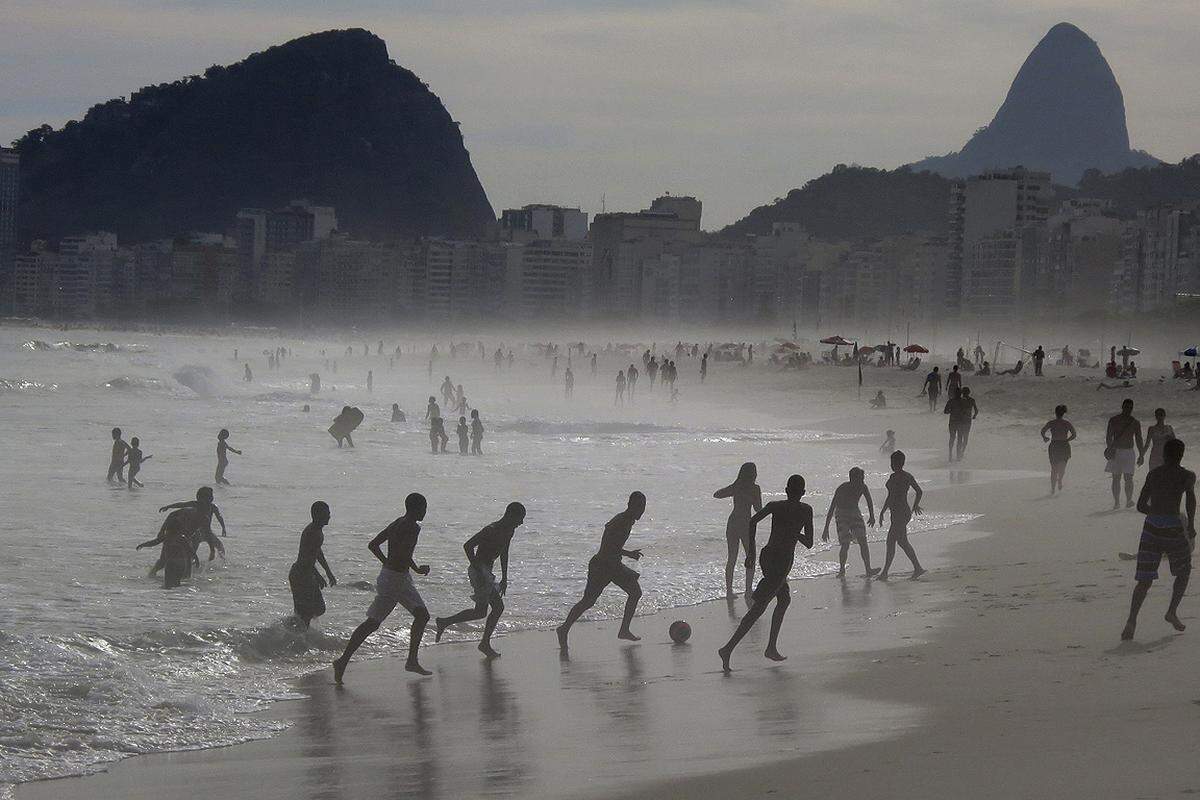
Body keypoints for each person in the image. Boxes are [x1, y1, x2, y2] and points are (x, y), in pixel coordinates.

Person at [333, 493, 433, 683]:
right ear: (415, 508)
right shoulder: (412, 528)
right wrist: (415, 568)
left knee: (420, 616)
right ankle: (343, 661)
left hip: (394, 577)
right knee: (373, 623)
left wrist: (390, 564)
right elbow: (402, 553)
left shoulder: (398, 523)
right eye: (424, 508)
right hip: (395, 580)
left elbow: (374, 545)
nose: (425, 512)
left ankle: (411, 660)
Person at [718, 475, 814, 672]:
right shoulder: (806, 510)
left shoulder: (776, 506)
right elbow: (810, 542)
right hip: (782, 561)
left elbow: (752, 522)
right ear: (803, 493)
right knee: (759, 607)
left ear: (786, 490)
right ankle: (727, 649)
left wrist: (752, 552)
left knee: (784, 599)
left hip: (767, 556)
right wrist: (795, 533)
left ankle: (770, 647)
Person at [1122, 438, 1195, 640]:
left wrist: (1155, 513)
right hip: (1173, 526)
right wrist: (1191, 526)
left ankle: (1131, 621)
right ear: (1181, 455)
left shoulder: (1154, 474)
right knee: (1184, 571)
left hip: (1151, 527)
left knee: (1144, 580)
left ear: (1163, 454)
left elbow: (1140, 506)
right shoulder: (1187, 476)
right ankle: (1171, 611)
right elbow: (1191, 501)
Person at [556, 492, 647, 652]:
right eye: (638, 506)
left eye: (643, 507)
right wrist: (629, 555)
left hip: (611, 566)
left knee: (635, 592)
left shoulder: (627, 520)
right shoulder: (621, 521)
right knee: (588, 601)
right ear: (629, 505)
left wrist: (624, 560)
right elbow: (609, 547)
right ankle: (563, 629)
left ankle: (624, 630)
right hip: (602, 566)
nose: (641, 510)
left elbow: (613, 547)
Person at [435, 502, 527, 658]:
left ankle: (444, 622)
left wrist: (505, 577)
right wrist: (477, 568)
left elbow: (504, 553)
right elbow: (468, 546)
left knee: (480, 612)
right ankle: (484, 643)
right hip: (479, 571)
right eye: (520, 518)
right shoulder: (491, 530)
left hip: (487, 572)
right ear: (510, 515)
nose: (521, 523)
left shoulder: (509, 531)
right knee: (497, 608)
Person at [713, 463, 764, 598]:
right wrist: (749, 497)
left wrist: (734, 490)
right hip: (745, 524)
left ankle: (733, 591)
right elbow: (759, 509)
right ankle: (745, 590)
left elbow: (717, 494)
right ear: (753, 474)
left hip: (735, 522)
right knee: (748, 557)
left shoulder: (737, 487)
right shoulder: (754, 489)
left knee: (734, 558)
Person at [821, 468, 878, 578]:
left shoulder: (863, 487)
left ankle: (868, 569)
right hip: (841, 514)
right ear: (852, 479)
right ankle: (842, 570)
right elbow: (832, 507)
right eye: (860, 479)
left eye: (863, 478)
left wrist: (872, 516)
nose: (862, 481)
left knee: (863, 540)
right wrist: (826, 528)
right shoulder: (842, 488)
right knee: (845, 543)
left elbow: (869, 501)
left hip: (855, 512)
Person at [878, 450, 925, 580]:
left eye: (893, 462)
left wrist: (915, 505)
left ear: (899, 463)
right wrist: (883, 511)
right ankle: (917, 568)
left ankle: (885, 573)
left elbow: (919, 491)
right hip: (898, 512)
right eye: (891, 462)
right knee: (902, 542)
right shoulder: (899, 477)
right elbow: (890, 496)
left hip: (901, 512)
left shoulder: (903, 477)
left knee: (891, 541)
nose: (892, 465)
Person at [290, 501, 336, 629]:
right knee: (307, 612)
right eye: (326, 513)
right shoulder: (312, 532)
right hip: (301, 574)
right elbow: (306, 560)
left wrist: (328, 571)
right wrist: (318, 576)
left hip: (304, 573)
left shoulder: (317, 531)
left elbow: (317, 552)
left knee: (316, 609)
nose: (329, 516)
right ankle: (295, 635)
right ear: (317, 515)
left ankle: (294, 631)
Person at [157, 486, 227, 568]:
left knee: (220, 546)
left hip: (207, 532)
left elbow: (219, 516)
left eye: (210, 496)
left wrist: (223, 527)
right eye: (206, 497)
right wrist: (169, 506)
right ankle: (189, 565)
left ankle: (222, 563)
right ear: (198, 497)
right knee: (192, 550)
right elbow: (182, 504)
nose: (208, 499)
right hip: (196, 533)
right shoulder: (195, 504)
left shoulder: (213, 507)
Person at [137, 508, 201, 589]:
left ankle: (170, 594)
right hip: (181, 564)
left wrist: (143, 545)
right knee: (176, 582)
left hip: (171, 563)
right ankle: (178, 593)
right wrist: (196, 559)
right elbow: (190, 550)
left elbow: (155, 542)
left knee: (168, 583)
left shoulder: (169, 537)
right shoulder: (181, 537)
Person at [1106, 398, 1145, 509]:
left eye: (1130, 407)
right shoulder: (1114, 420)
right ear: (1122, 407)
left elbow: (1139, 439)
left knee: (1128, 478)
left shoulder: (1135, 422)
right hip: (1116, 451)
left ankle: (1128, 500)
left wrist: (1141, 454)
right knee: (1116, 478)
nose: (1128, 409)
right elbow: (1108, 436)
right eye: (1127, 407)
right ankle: (1117, 502)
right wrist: (1110, 449)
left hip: (1129, 451)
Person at [1040, 405, 1077, 495]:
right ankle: (1059, 480)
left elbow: (1042, 431)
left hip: (1054, 445)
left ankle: (1053, 488)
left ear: (1055, 413)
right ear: (1063, 413)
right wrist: (1067, 440)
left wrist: (1045, 437)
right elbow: (1074, 434)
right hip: (1064, 445)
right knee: (1062, 468)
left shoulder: (1052, 423)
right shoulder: (1066, 423)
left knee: (1054, 468)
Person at [943, 386, 979, 462]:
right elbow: (966, 411)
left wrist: (952, 411)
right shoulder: (964, 401)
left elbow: (945, 411)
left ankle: (950, 454)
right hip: (961, 422)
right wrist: (972, 416)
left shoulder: (951, 401)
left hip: (953, 421)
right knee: (960, 438)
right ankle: (958, 456)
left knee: (952, 438)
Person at [1143, 408, 1176, 472]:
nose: (1159, 417)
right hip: (1155, 454)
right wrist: (1142, 456)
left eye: (1161, 415)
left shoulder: (1169, 428)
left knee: (1166, 475)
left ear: (1164, 416)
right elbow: (1147, 444)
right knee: (1153, 474)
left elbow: (1175, 443)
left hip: (1166, 455)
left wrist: (1176, 457)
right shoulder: (1152, 429)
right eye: (1158, 415)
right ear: (1155, 416)